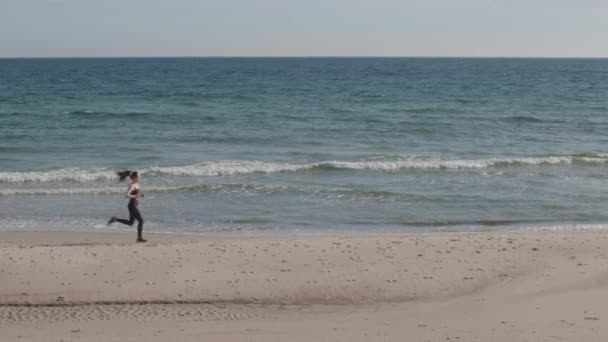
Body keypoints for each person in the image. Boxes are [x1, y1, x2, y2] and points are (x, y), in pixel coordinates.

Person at [107, 170, 147, 242]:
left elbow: (137, 191)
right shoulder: (132, 185)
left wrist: (140, 194)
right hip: (132, 206)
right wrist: (135, 195)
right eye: (138, 176)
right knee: (141, 221)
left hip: (134, 205)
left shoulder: (137, 184)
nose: (139, 177)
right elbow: (126, 195)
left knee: (131, 223)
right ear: (135, 177)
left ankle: (115, 219)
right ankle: (139, 238)